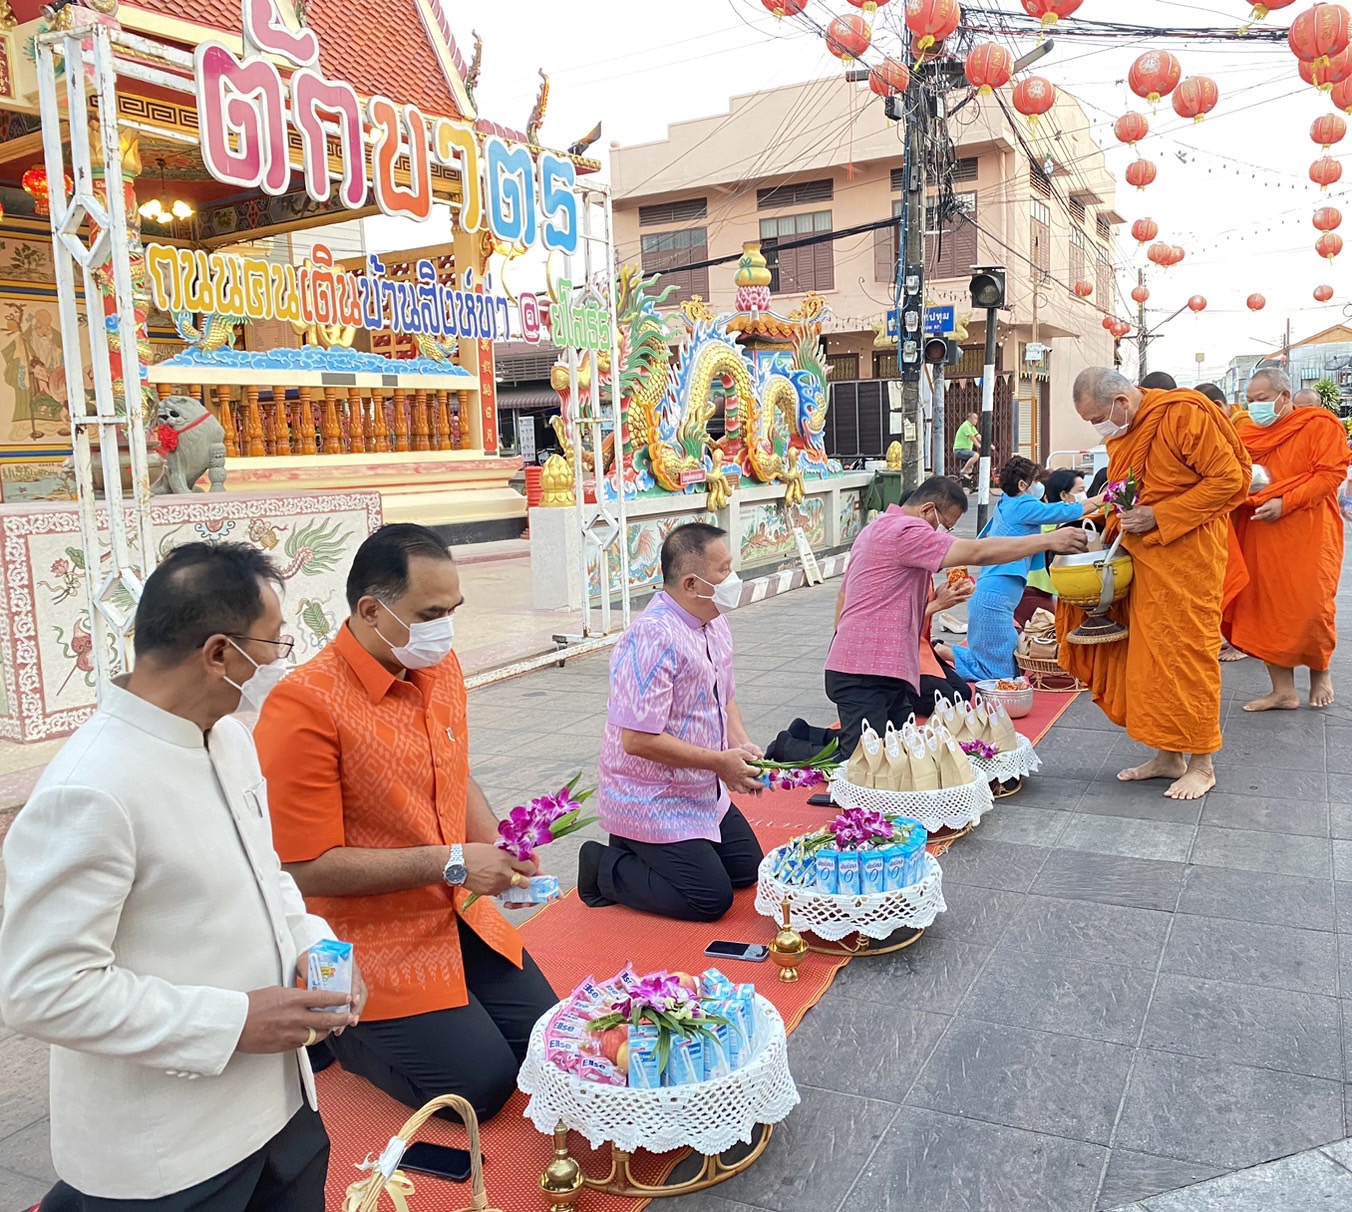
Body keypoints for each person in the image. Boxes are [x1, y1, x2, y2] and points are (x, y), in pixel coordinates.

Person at [0, 543, 365, 1212]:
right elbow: (39, 990)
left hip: (281, 1106)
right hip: (170, 1150)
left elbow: (268, 872)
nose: (281, 662)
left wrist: (316, 948)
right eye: (274, 643)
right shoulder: (91, 788)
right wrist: (230, 1022)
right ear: (219, 653)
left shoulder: (227, 736)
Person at [254, 524, 556, 1124]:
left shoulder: (439, 671)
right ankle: (343, 1034)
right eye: (432, 612)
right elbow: (299, 867)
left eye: (454, 610)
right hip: (373, 938)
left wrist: (501, 843)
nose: (446, 628)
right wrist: (451, 862)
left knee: (547, 1047)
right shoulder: (305, 705)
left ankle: (438, 1018)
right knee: (483, 1088)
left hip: (457, 911)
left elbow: (456, 772)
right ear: (372, 609)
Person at [1058, 369, 1250, 800]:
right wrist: (1107, 521)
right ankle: (1168, 755)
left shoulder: (1184, 413)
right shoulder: (1124, 433)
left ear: (1121, 403)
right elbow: (1129, 490)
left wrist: (1161, 515)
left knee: (1188, 657)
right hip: (1142, 559)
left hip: (1188, 559)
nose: (1097, 428)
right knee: (1149, 658)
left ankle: (1203, 763)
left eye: (1096, 419)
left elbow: (1229, 480)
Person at [577, 523, 765, 922]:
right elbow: (637, 740)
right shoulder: (651, 637)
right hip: (650, 794)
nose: (733, 579)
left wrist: (740, 744)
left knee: (747, 870)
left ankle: (652, 850)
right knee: (709, 899)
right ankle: (605, 867)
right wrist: (719, 763)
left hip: (701, 785)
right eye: (724, 570)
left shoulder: (714, 622)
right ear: (693, 583)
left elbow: (723, 693)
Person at [824, 476, 1088, 757]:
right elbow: (977, 552)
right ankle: (793, 745)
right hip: (866, 669)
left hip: (877, 664)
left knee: (897, 754)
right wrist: (1048, 540)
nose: (942, 533)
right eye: (945, 525)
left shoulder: (877, 527)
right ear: (927, 510)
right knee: (865, 761)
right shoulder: (906, 529)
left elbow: (853, 596)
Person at [1225, 368, 1346, 710]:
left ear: (1284, 396)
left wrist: (1286, 501)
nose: (1255, 406)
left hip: (1309, 529)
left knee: (1312, 606)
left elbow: (1331, 474)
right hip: (1260, 529)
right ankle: (1283, 691)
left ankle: (1320, 672)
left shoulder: (1319, 425)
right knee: (1266, 609)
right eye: (1250, 400)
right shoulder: (1245, 430)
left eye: (1262, 400)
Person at [953, 457, 1102, 683]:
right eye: (1034, 481)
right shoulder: (1023, 504)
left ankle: (948, 654)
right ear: (1023, 485)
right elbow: (1064, 511)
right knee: (1003, 675)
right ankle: (949, 655)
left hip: (991, 593)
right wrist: (1102, 498)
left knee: (1005, 664)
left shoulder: (1006, 502)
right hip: (993, 598)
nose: (1038, 485)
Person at [953, 410, 981, 480]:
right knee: (976, 455)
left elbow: (978, 436)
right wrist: (978, 445)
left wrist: (989, 445)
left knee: (970, 470)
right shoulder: (966, 425)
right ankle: (963, 471)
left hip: (966, 450)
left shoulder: (972, 427)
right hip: (959, 450)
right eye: (975, 418)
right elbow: (971, 437)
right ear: (970, 418)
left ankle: (968, 484)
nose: (976, 420)